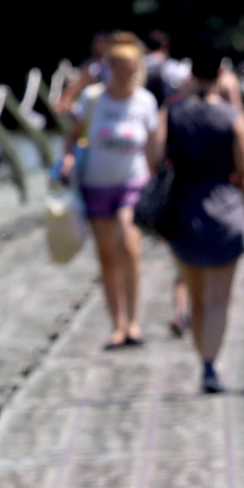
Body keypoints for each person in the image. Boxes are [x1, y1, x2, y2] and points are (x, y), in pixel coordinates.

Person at [149, 44, 244, 393]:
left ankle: (204, 357)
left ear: (191, 74)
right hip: (226, 211)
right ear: (220, 74)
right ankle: (210, 365)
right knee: (219, 299)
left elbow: (154, 156)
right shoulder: (234, 119)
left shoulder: (174, 113)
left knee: (195, 297)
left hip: (184, 210)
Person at [63, 34, 156, 348]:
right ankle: (117, 324)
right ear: (109, 67)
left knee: (129, 244)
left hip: (133, 181)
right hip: (96, 182)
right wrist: (66, 160)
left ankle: (134, 322)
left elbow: (154, 145)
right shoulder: (92, 98)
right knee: (107, 256)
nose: (124, 74)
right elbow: (73, 136)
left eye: (130, 68)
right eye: (118, 67)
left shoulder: (144, 101)